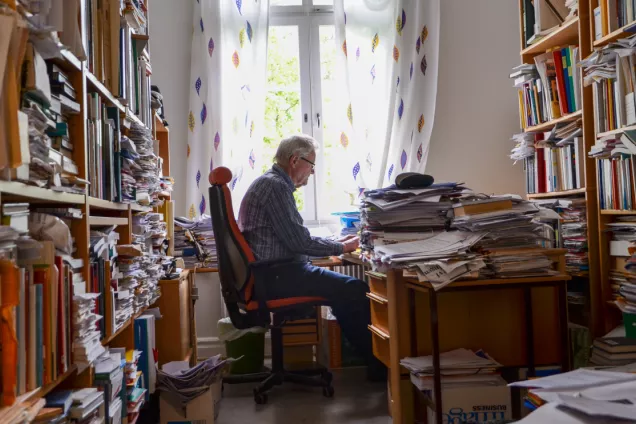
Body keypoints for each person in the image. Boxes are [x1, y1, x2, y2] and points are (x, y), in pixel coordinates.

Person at [238, 134, 385, 381]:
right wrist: (342, 248)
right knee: (355, 289)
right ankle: (380, 367)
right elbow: (298, 241)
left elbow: (294, 238)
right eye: (312, 165)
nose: (313, 172)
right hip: (279, 275)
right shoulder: (275, 187)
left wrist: (337, 244)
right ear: (295, 160)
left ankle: (373, 363)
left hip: (273, 272)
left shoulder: (271, 183)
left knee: (344, 291)